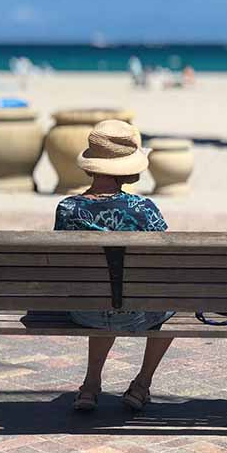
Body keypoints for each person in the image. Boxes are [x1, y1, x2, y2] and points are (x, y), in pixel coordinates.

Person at [54, 119, 175, 412]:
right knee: (175, 299)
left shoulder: (67, 209)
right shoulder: (144, 210)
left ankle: (91, 385)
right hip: (136, 315)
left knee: (103, 290)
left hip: (84, 311)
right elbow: (165, 258)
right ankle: (142, 384)